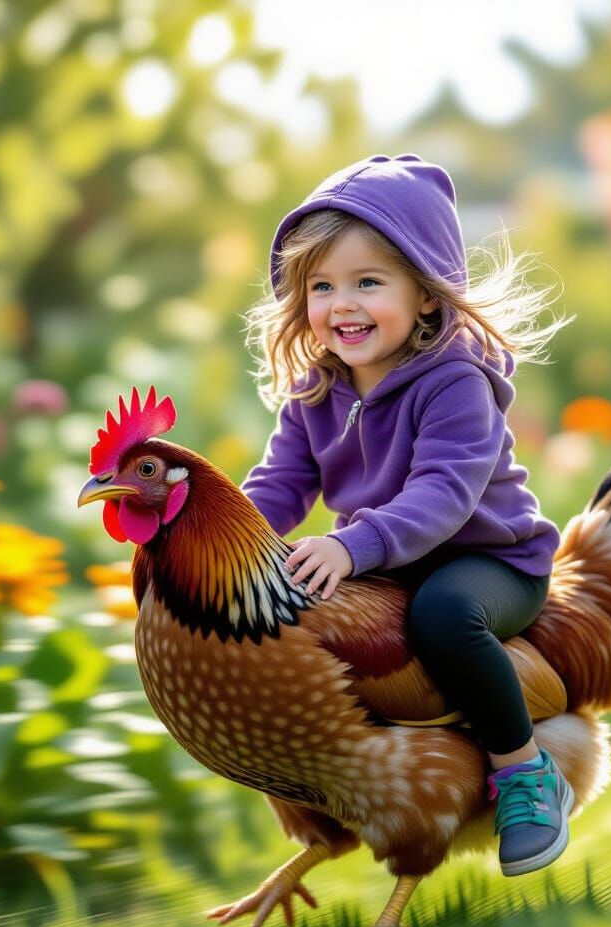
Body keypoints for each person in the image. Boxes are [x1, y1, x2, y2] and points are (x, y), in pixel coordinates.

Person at [241, 154, 574, 877]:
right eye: (322, 287)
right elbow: (281, 482)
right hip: (387, 562)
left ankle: (524, 773)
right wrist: (226, 543)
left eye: (367, 282)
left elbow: (442, 496)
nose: (342, 305)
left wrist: (356, 545)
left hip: (487, 561)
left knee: (443, 617)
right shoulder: (315, 390)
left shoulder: (455, 382)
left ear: (425, 295)